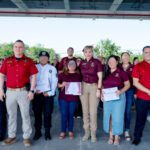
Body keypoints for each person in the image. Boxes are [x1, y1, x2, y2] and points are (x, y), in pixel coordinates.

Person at [0, 40, 38, 147]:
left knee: (25, 115)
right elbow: (1, 75)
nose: (18, 49)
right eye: (16, 47)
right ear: (13, 48)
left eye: (20, 47)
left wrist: (31, 90)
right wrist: (0, 90)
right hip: (10, 92)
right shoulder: (7, 61)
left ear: (24, 48)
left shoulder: (29, 61)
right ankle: (11, 136)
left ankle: (26, 137)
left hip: (23, 92)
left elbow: (34, 76)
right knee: (11, 115)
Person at [102, 55, 130, 145]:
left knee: (117, 117)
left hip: (119, 98)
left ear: (117, 62)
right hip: (107, 99)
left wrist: (120, 91)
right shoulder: (105, 72)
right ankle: (111, 136)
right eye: (109, 61)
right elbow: (102, 85)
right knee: (109, 117)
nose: (111, 63)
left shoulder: (122, 72)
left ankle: (117, 137)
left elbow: (127, 85)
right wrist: (102, 94)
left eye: (113, 61)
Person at [32, 51, 58, 141]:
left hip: (47, 95)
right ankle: (37, 132)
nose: (43, 58)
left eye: (45, 57)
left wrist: (50, 93)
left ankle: (47, 132)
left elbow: (54, 82)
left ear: (48, 58)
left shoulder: (52, 68)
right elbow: (31, 80)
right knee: (37, 114)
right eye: (41, 57)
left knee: (47, 114)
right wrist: (34, 90)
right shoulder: (34, 67)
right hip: (37, 95)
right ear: (39, 58)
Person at [79, 45, 103, 142]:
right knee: (85, 112)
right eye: (86, 52)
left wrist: (99, 89)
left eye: (90, 52)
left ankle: (93, 134)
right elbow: (78, 75)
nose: (88, 54)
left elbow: (100, 77)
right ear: (83, 53)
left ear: (92, 52)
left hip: (94, 87)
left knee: (93, 112)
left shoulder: (97, 62)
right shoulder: (81, 63)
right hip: (83, 87)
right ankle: (87, 132)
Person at [58, 60, 81, 139]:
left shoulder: (78, 75)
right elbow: (57, 84)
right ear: (67, 65)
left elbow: (80, 85)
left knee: (71, 115)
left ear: (75, 65)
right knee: (64, 115)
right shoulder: (62, 74)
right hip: (63, 98)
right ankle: (63, 131)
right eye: (70, 64)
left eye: (73, 64)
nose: (72, 66)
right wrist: (61, 85)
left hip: (73, 98)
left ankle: (70, 130)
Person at [132, 46, 150, 145]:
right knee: (140, 119)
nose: (148, 54)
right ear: (143, 54)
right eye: (146, 52)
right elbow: (135, 83)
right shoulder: (138, 66)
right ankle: (137, 137)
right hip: (142, 98)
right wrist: (148, 91)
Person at [121, 52, 134, 141]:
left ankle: (126, 130)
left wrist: (136, 92)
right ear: (121, 58)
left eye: (127, 56)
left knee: (127, 111)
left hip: (129, 91)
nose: (125, 58)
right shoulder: (118, 66)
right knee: (118, 111)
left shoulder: (134, 67)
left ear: (129, 58)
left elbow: (137, 80)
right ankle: (117, 130)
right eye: (124, 56)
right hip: (119, 91)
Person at [0, 58, 7, 141]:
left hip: (3, 94)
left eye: (2, 64)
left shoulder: (7, 72)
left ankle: (2, 133)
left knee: (2, 115)